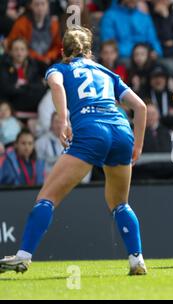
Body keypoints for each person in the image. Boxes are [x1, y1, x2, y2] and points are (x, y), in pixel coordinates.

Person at [0, 26, 148, 275]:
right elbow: (141, 107)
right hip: (122, 131)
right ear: (89, 51)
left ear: (62, 51)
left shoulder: (59, 68)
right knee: (119, 202)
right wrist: (138, 145)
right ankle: (137, 260)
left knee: (46, 197)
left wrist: (64, 119)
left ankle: (23, 257)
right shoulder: (106, 72)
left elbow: (57, 87)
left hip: (91, 131)